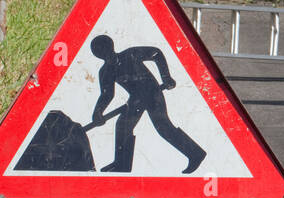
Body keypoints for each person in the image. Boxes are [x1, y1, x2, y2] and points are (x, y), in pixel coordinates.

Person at [87, 35, 206, 175]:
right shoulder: (106, 71)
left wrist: (166, 77)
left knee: (163, 127)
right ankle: (121, 164)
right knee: (122, 126)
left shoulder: (130, 54)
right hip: (136, 99)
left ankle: (196, 153)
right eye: (98, 51)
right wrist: (98, 112)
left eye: (103, 49)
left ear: (110, 46)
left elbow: (156, 53)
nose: (103, 53)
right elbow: (107, 94)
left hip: (152, 93)